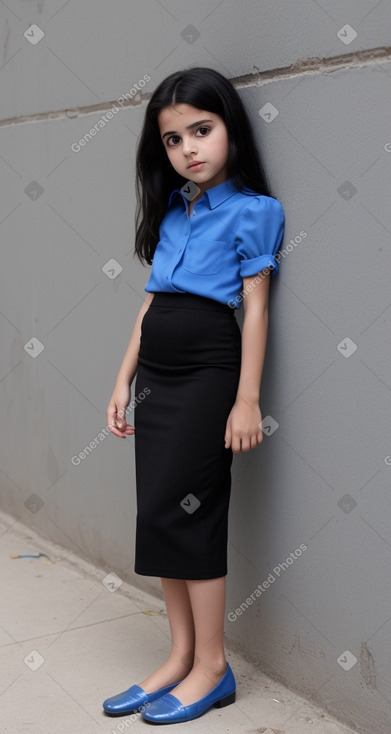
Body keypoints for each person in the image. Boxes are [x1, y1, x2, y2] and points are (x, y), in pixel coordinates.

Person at [102, 66, 285, 724]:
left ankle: (213, 666)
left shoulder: (253, 212)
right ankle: (179, 655)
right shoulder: (175, 210)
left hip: (209, 373)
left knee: (190, 512)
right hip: (155, 376)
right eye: (173, 140)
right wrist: (123, 380)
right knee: (156, 512)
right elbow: (149, 303)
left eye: (201, 131)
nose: (189, 150)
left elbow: (256, 311)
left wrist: (245, 400)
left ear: (229, 129)